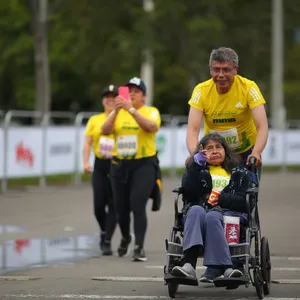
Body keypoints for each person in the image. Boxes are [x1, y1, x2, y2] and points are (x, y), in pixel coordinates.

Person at [172, 133, 254, 283]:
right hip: (198, 214)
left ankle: (226, 268)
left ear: (225, 151)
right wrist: (196, 165)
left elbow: (245, 202)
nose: (214, 151)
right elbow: (188, 190)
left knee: (213, 216)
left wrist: (222, 199)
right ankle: (189, 266)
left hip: (228, 214)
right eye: (209, 148)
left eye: (218, 147)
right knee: (195, 210)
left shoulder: (239, 173)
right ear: (202, 152)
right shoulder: (196, 170)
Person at [101, 77, 161, 262]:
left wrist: (131, 109)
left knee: (137, 204)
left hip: (144, 164)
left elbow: (151, 127)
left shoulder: (151, 111)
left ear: (144, 95)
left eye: (137, 91)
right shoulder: (118, 112)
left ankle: (139, 246)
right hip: (120, 164)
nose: (132, 94)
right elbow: (105, 130)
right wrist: (116, 111)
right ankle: (126, 237)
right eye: (129, 91)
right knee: (121, 208)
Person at [186, 47, 268, 169]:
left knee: (247, 187)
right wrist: (194, 154)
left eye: (226, 70)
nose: (221, 75)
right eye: (216, 70)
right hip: (214, 154)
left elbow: (262, 127)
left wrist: (256, 153)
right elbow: (193, 129)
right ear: (210, 70)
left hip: (245, 152)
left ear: (236, 70)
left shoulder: (249, 87)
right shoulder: (201, 91)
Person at [83, 84, 118, 256]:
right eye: (107, 97)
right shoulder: (94, 120)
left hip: (117, 164)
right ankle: (105, 230)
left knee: (114, 205)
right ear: (102, 100)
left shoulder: (122, 118)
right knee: (98, 205)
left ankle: (107, 240)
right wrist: (85, 162)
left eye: (114, 96)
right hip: (100, 164)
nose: (110, 100)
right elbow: (88, 143)